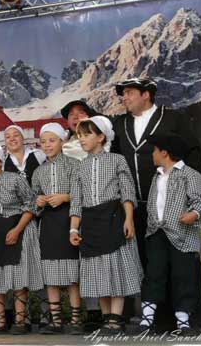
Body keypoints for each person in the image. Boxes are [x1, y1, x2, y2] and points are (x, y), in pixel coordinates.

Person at [111, 78, 201, 329]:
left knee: (181, 265)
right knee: (150, 264)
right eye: (123, 94)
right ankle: (155, 319)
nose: (124, 98)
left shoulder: (173, 118)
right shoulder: (120, 124)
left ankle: (186, 317)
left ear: (146, 95)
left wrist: (191, 200)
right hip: (135, 207)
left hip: (175, 208)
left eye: (129, 93)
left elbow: (194, 154)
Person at [131, 133, 201, 336]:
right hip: (158, 232)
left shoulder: (190, 175)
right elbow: (154, 204)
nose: (152, 154)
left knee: (182, 276)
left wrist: (193, 214)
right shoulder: (157, 175)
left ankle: (183, 322)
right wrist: (152, 224)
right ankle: (148, 319)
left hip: (182, 236)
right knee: (154, 275)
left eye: (155, 150)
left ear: (165, 152)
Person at [69, 116, 143, 336]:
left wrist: (128, 219)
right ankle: (105, 318)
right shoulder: (80, 166)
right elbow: (76, 200)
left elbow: (127, 192)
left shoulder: (117, 160)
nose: (82, 139)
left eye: (87, 134)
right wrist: (74, 228)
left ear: (101, 137)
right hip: (90, 222)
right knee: (97, 271)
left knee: (115, 269)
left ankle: (116, 319)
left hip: (113, 218)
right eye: (79, 135)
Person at [0, 143, 43, 335]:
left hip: (19, 225)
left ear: (0, 161)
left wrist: (17, 229)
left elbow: (31, 204)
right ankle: (0, 323)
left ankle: (21, 321)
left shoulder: (15, 179)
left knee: (17, 275)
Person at [31, 123, 83, 335]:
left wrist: (65, 197)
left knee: (71, 276)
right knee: (50, 275)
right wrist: (39, 201)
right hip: (49, 224)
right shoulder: (38, 171)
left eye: (52, 140)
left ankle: (76, 320)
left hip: (69, 221)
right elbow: (31, 200)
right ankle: (56, 321)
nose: (47, 145)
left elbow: (82, 194)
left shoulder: (74, 165)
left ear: (62, 141)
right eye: (43, 141)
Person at [59, 99, 103, 330]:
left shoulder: (99, 144)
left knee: (95, 260)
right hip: (68, 212)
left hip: (96, 209)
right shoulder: (62, 144)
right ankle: (87, 311)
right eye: (71, 115)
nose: (76, 117)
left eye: (81, 113)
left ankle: (101, 312)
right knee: (78, 265)